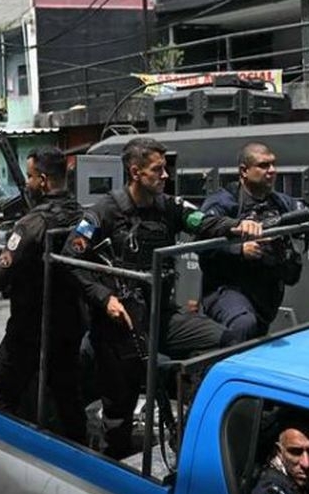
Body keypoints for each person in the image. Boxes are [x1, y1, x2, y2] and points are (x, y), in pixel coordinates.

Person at [63, 137, 261, 458]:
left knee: (226, 340)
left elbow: (203, 221)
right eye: (158, 169)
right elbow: (71, 258)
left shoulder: (168, 206)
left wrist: (238, 227)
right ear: (135, 172)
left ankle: (188, 424)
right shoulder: (104, 212)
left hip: (160, 314)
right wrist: (105, 298)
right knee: (119, 417)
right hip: (120, 326)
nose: (165, 175)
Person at [0, 147, 87, 442]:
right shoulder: (82, 215)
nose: (27, 183)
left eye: (30, 176)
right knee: (68, 400)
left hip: (29, 329)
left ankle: (8, 454)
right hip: (69, 325)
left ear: (43, 180)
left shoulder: (32, 224)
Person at [199, 142, 309, 342]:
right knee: (243, 325)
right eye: (263, 165)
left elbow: (306, 215)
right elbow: (200, 241)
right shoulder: (224, 202)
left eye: (273, 164)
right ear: (244, 171)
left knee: (255, 337)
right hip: (227, 289)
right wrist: (240, 249)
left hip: (265, 294)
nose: (272, 171)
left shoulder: (280, 202)